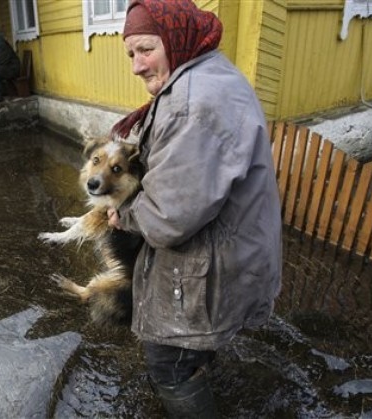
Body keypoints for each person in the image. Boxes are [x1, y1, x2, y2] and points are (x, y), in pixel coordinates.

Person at [107, 1, 283, 417]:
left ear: (176, 39)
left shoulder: (193, 103)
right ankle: (201, 366)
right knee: (189, 354)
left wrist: (123, 214)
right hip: (235, 244)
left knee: (167, 363)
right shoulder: (207, 74)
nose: (136, 65)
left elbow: (169, 217)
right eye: (131, 53)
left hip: (217, 259)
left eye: (145, 49)